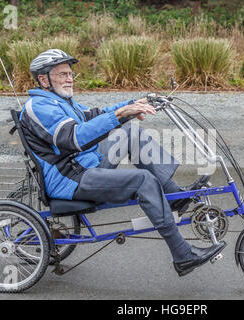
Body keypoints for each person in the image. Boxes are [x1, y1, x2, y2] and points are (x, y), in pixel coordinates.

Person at [20, 49, 225, 276]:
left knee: (130, 132)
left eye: (70, 73)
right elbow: (73, 138)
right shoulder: (39, 106)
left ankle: (175, 198)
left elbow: (95, 115)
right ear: (43, 79)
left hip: (85, 165)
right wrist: (119, 114)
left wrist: (134, 103)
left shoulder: (61, 101)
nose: (69, 78)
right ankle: (183, 255)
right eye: (62, 74)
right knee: (142, 181)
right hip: (71, 179)